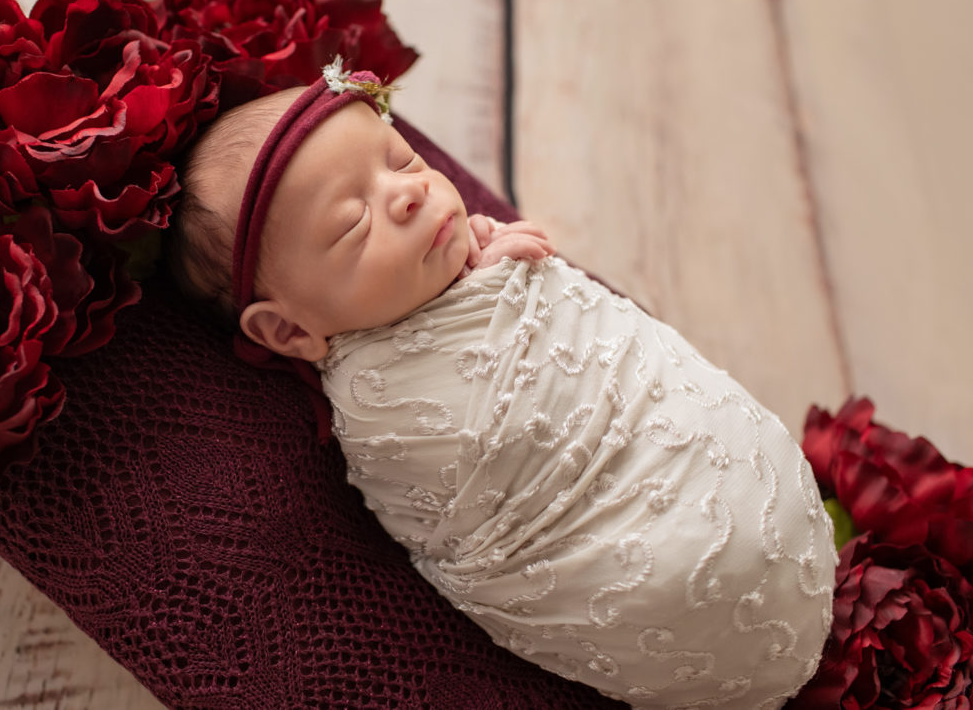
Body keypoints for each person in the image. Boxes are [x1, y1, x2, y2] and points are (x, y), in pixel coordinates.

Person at [169, 60, 838, 708]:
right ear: (290, 332)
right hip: (658, 587)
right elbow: (482, 442)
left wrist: (499, 267)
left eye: (401, 161)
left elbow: (586, 333)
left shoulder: (462, 261)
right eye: (353, 222)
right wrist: (497, 283)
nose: (407, 192)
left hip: (741, 490)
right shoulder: (379, 403)